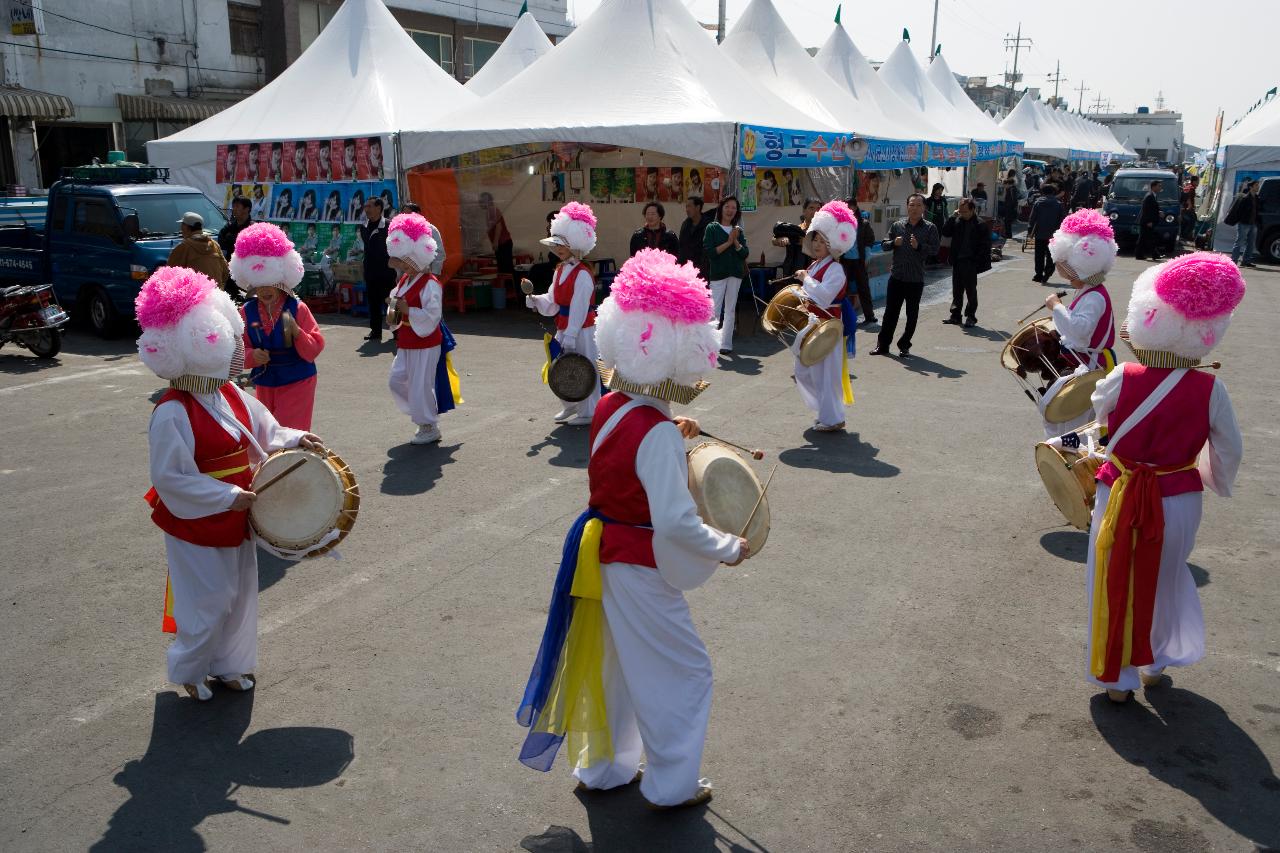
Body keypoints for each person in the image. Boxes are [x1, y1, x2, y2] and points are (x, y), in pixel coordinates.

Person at [516, 248, 749, 809]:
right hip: (639, 560)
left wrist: (670, 424)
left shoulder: (612, 406)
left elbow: (640, 433)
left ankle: (603, 767)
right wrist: (728, 547)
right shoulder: (657, 432)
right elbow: (674, 520)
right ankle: (672, 786)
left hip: (599, 551)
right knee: (684, 673)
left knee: (613, 667)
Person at [137, 266, 323, 701]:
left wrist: (296, 438)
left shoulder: (228, 393)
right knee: (207, 599)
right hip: (200, 519)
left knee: (239, 597)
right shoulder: (171, 410)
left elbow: (267, 430)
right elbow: (170, 479)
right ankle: (190, 668)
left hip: (240, 511)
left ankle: (230, 665)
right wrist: (224, 495)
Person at [1081, 252, 1243, 704]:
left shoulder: (1121, 376)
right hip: (1178, 496)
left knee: (1112, 576)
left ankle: (1117, 680)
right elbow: (1229, 449)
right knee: (1166, 577)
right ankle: (1152, 664)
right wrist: (1214, 478)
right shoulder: (1211, 388)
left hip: (1120, 489)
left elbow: (1101, 417)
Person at [233, 222, 325, 431]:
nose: (265, 291)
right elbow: (238, 348)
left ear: (281, 282)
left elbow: (314, 349)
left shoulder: (298, 308)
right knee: (267, 433)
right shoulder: (246, 311)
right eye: (259, 286)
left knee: (289, 431)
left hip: (298, 379)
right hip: (264, 380)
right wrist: (252, 355)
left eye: (271, 285)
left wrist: (297, 332)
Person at [1040, 209, 1119, 436]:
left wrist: (1057, 307)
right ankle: (1068, 454)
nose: (1067, 277)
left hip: (1089, 366)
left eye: (1071, 273)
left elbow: (1080, 330)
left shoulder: (1093, 296)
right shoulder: (1090, 290)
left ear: (1083, 268)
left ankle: (1073, 462)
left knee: (1074, 422)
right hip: (1085, 362)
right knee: (1065, 420)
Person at [385, 212, 461, 445]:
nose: (398, 266)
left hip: (425, 340)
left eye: (402, 261)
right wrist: (394, 311)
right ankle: (423, 414)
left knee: (420, 385)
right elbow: (397, 308)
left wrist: (407, 311)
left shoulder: (431, 284)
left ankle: (428, 424)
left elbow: (433, 316)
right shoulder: (404, 281)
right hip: (408, 338)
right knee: (397, 380)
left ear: (413, 258)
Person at [527, 202, 602, 426]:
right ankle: (570, 405)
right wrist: (535, 300)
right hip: (564, 327)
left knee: (584, 367)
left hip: (583, 329)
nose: (559, 248)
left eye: (563, 244)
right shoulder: (560, 269)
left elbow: (579, 308)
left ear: (576, 243)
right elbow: (552, 301)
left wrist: (571, 334)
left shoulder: (583, 274)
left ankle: (588, 411)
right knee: (559, 367)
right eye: (557, 243)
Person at [794, 201, 857, 431]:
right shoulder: (816, 264)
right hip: (815, 324)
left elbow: (824, 296)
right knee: (806, 369)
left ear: (832, 244)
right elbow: (812, 295)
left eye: (823, 241)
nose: (818, 244)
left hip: (829, 326)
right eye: (816, 240)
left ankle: (832, 418)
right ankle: (828, 412)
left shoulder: (836, 269)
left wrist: (805, 280)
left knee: (826, 374)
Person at [870, 194, 939, 358]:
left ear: (924, 208)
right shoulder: (897, 225)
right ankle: (883, 345)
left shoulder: (930, 228)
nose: (914, 208)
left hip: (915, 279)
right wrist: (894, 243)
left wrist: (919, 246)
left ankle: (904, 345)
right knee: (890, 313)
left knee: (912, 315)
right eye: (911, 205)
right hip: (897, 277)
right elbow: (884, 245)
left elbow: (935, 249)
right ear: (907, 206)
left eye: (918, 205)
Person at [702, 196, 749, 354]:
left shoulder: (738, 230)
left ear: (737, 211)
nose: (730, 210)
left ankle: (726, 344)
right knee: (714, 309)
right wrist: (729, 242)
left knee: (730, 309)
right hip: (718, 274)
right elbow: (711, 252)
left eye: (733, 208)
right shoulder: (712, 228)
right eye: (727, 207)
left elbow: (744, 253)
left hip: (735, 273)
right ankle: (710, 343)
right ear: (721, 208)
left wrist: (735, 241)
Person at [940, 199, 991, 327]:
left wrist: (976, 262)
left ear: (972, 210)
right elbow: (945, 232)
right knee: (957, 290)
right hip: (957, 260)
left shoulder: (980, 224)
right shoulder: (957, 220)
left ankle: (971, 316)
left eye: (965, 211)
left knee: (970, 291)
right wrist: (952, 216)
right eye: (960, 211)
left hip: (970, 262)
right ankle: (955, 315)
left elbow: (985, 246)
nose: (962, 214)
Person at [359, 197, 395, 342]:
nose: (366, 209)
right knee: (373, 302)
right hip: (371, 271)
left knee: (392, 302)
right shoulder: (364, 226)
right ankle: (375, 331)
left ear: (379, 208)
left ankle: (397, 332)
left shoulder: (388, 225)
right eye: (365, 206)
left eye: (369, 206)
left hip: (387, 271)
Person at [168, 213, 230, 291]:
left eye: (182, 225)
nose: (181, 228)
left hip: (194, 298)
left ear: (186, 227)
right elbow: (225, 271)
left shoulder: (183, 247)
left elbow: (170, 274)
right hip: (216, 295)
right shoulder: (214, 245)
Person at [839, 197, 877, 325]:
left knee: (864, 288)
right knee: (842, 289)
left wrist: (867, 256)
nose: (849, 209)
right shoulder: (840, 223)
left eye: (851, 206)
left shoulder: (863, 223)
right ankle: (843, 316)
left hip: (859, 261)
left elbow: (869, 240)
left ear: (855, 207)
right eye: (846, 207)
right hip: (845, 261)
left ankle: (869, 315)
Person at [773, 197, 821, 276]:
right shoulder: (795, 229)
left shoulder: (822, 232)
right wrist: (780, 239)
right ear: (804, 210)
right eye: (811, 208)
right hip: (793, 274)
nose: (815, 212)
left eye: (818, 209)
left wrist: (806, 243)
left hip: (814, 274)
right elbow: (774, 239)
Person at [1027, 183, 1064, 284]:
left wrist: (1030, 230)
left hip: (1040, 233)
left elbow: (1032, 218)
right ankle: (1047, 273)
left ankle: (1038, 274)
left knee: (1039, 255)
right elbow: (1062, 220)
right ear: (1053, 192)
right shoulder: (1058, 204)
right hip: (1054, 235)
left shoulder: (1038, 203)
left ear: (1043, 192)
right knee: (1051, 255)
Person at [480, 192, 516, 287]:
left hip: (503, 243)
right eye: (481, 201)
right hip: (501, 243)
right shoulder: (488, 212)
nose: (482, 203)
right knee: (502, 268)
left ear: (489, 201)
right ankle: (505, 290)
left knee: (506, 269)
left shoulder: (493, 211)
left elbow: (498, 227)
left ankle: (510, 290)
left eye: (484, 201)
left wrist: (495, 242)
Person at [401, 203, 447, 276]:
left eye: (409, 214)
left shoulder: (431, 230)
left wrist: (435, 273)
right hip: (407, 275)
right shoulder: (400, 232)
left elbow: (439, 253)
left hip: (426, 274)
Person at [1225, 180, 1260, 268]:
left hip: (1253, 223)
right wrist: (1242, 220)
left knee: (1251, 243)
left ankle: (1246, 261)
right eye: (1256, 185)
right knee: (1239, 242)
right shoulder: (1245, 198)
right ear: (1251, 187)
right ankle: (1234, 261)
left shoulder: (1256, 198)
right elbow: (1239, 211)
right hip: (1244, 223)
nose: (1258, 187)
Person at [676, 195, 711, 277]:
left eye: (689, 206)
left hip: (704, 269)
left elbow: (708, 249)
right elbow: (682, 246)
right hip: (687, 269)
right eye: (686, 207)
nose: (687, 210)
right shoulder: (685, 224)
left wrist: (702, 268)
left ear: (698, 207)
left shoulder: (708, 225)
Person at [1135, 179, 1164, 261]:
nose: (1160, 187)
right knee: (1146, 238)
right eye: (1159, 186)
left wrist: (1158, 212)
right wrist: (1148, 221)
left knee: (1146, 238)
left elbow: (1152, 208)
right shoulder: (1149, 196)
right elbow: (1146, 210)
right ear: (1153, 187)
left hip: (1149, 221)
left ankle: (1151, 254)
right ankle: (1153, 255)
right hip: (1146, 222)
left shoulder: (1153, 195)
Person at [217, 197, 253, 263]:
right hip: (229, 263)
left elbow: (245, 246)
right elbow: (221, 237)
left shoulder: (252, 228)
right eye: (233, 206)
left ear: (246, 209)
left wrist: (230, 238)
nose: (234, 209)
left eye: (237, 206)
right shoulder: (230, 225)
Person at [1179, 175, 1199, 242]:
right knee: (1192, 221)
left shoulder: (1187, 187)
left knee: (1185, 222)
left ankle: (1182, 235)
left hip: (1183, 208)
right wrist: (1190, 206)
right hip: (1188, 208)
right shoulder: (1192, 189)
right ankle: (1185, 236)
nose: (1198, 183)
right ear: (1194, 181)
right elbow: (1189, 198)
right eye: (1197, 182)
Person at [998, 176, 1018, 243]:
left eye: (1005, 185)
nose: (1004, 186)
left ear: (1008, 184)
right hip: (1009, 208)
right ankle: (1008, 235)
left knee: (1007, 222)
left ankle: (1008, 235)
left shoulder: (1011, 189)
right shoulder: (1011, 189)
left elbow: (1013, 200)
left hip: (1010, 208)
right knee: (1007, 222)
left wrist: (1012, 207)